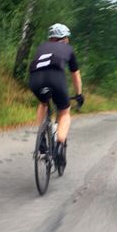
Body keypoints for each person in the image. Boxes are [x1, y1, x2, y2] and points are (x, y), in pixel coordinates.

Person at [29, 23, 84, 161]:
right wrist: (79, 94)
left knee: (43, 103)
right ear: (64, 39)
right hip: (55, 79)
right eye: (67, 38)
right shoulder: (68, 48)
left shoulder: (41, 47)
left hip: (35, 80)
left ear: (51, 38)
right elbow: (75, 74)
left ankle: (41, 137)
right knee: (64, 111)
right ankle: (59, 145)